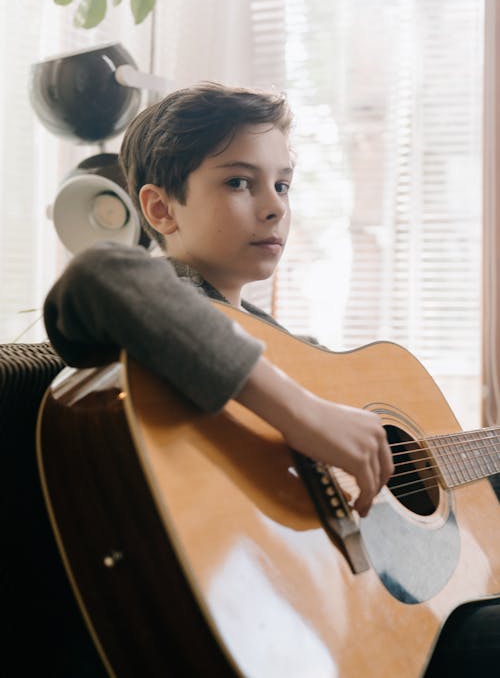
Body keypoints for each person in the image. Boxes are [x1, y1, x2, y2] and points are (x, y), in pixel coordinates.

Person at [43, 82, 500, 676]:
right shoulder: (169, 313)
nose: (275, 205)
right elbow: (98, 275)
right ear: (159, 209)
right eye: (239, 181)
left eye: (282, 183)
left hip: (378, 623)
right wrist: (304, 414)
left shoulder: (297, 354)